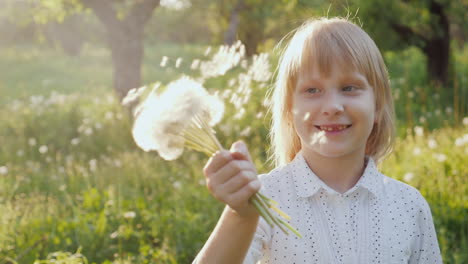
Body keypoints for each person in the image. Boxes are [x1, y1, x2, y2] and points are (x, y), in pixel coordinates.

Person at [193, 17, 442, 263]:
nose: (332, 106)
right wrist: (240, 215)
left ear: (377, 106)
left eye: (349, 88)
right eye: (312, 90)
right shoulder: (264, 198)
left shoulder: (408, 205)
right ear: (289, 109)